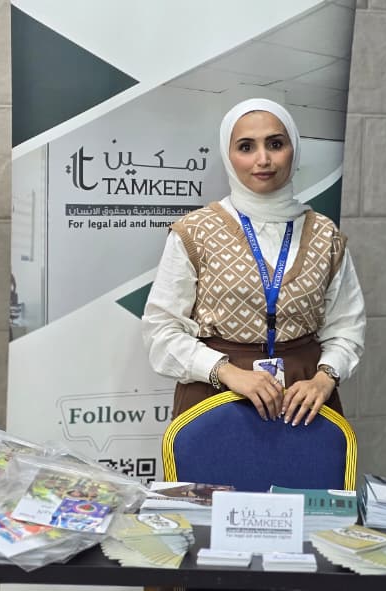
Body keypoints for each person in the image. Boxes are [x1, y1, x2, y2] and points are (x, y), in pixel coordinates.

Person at [142, 98, 366, 428]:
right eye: (246, 147)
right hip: (216, 397)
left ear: (293, 149)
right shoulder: (195, 232)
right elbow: (161, 331)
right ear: (228, 155)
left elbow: (347, 327)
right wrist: (227, 372)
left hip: (304, 401)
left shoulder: (324, 235)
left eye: (275, 144)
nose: (263, 159)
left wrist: (324, 379)